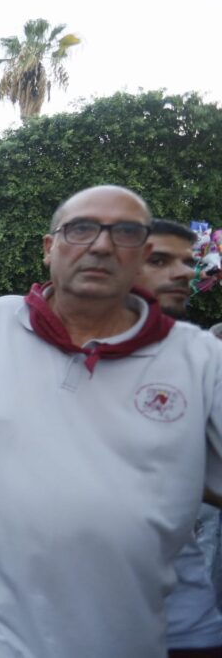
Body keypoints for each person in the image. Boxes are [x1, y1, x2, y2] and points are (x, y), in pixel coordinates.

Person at [0, 186, 222, 657]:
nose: (102, 245)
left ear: (143, 257)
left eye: (124, 233)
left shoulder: (199, 360)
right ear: (49, 249)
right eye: (81, 229)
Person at [136, 219, 222, 657]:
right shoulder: (53, 354)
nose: (186, 272)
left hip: (182, 627)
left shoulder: (205, 356)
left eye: (189, 261)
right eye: (159, 260)